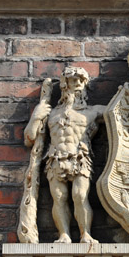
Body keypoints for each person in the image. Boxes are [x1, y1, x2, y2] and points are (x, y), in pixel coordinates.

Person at [24, 67, 105, 243]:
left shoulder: (93, 111)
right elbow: (29, 138)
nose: (77, 84)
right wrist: (36, 117)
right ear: (64, 84)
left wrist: (127, 93)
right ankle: (64, 234)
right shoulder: (51, 113)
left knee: (80, 195)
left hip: (80, 157)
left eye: (81, 81)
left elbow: (118, 112)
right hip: (55, 157)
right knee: (59, 197)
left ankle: (86, 234)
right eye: (73, 80)